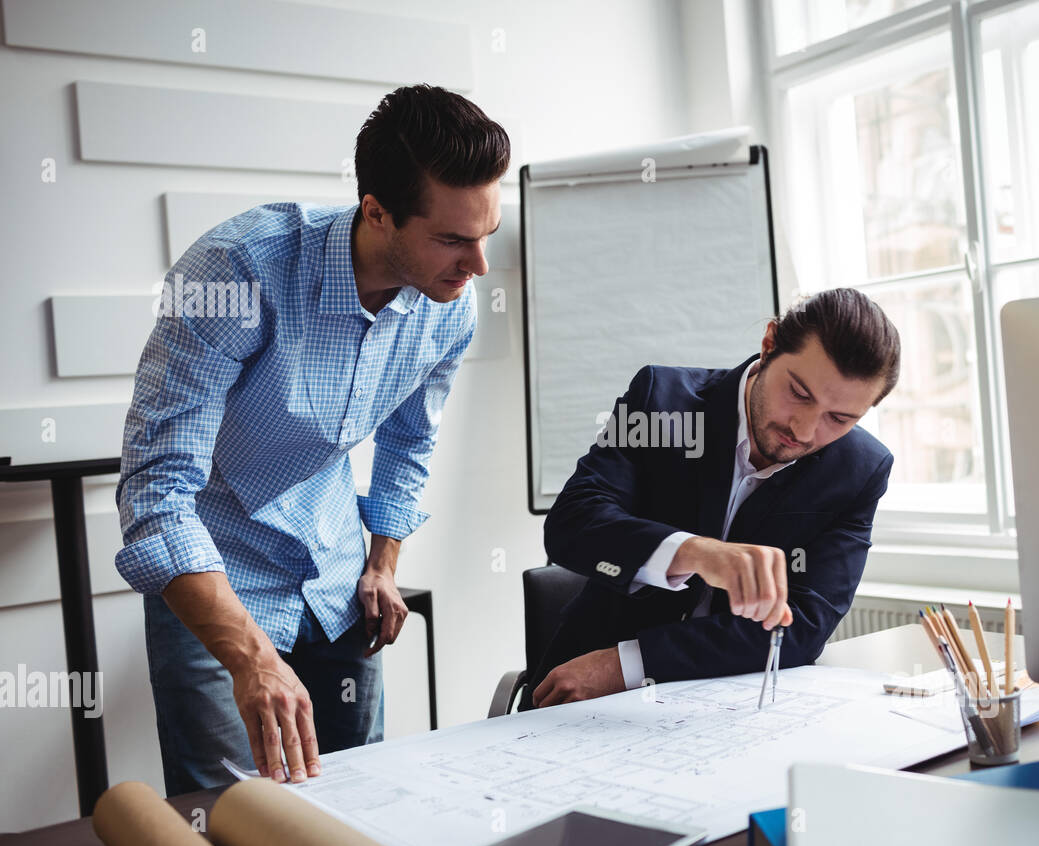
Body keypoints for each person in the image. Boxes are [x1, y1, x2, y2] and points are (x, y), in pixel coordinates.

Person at [114, 85, 509, 795]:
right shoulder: (235, 272)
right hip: (220, 586)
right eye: (452, 239)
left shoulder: (451, 307)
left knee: (355, 809)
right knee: (232, 818)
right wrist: (251, 658)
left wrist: (384, 564)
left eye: (487, 235)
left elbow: (409, 443)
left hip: (335, 585)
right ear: (377, 212)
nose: (477, 266)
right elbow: (156, 491)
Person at [531, 288, 900, 708]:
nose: (803, 429)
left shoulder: (860, 469)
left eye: (839, 419)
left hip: (728, 704)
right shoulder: (661, 401)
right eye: (799, 393)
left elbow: (801, 629)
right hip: (579, 691)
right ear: (769, 345)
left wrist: (627, 665)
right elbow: (571, 526)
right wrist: (695, 553)